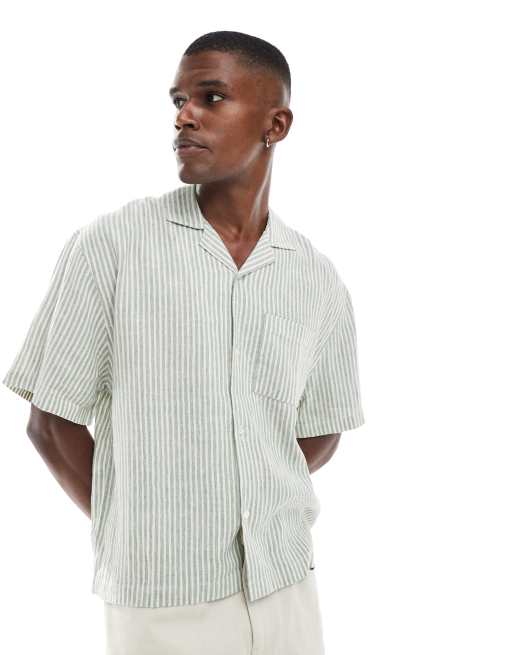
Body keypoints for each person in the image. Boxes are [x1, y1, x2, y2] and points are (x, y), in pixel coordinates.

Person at [2, 30, 365, 655]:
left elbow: (322, 427)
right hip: (162, 597)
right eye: (178, 100)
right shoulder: (113, 245)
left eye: (211, 97)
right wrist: (142, 526)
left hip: (285, 587)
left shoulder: (315, 276)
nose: (184, 116)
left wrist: (245, 489)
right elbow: (50, 421)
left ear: (275, 125)